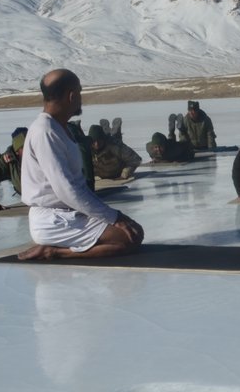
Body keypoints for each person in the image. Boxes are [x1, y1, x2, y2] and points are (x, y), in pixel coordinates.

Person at [17, 69, 144, 261]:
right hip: (53, 220)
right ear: (72, 96)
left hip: (67, 213)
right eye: (80, 93)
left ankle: (62, 246)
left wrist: (111, 215)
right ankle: (54, 252)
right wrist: (114, 218)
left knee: (134, 231)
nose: (80, 99)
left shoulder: (59, 128)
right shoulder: (45, 132)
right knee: (128, 238)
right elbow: (66, 189)